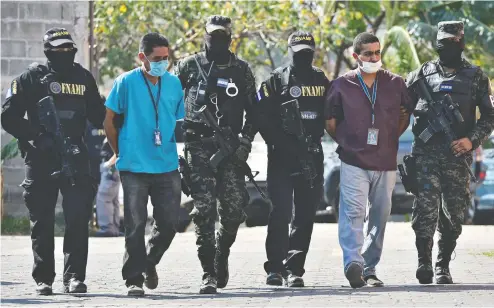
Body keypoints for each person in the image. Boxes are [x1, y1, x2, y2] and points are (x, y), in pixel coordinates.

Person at [1, 28, 105, 295]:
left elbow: (98, 114)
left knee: (78, 219)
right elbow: (8, 117)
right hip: (41, 157)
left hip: (75, 156)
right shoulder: (30, 79)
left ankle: (74, 278)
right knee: (42, 221)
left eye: (68, 50)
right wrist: (36, 135)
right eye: (58, 50)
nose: (64, 54)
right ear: (47, 51)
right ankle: (43, 279)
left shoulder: (83, 77)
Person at [405, 21, 494, 285]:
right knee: (425, 209)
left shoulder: (476, 76)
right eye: (445, 42)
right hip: (426, 155)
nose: (450, 47)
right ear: (437, 43)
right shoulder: (422, 73)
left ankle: (443, 264)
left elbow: (489, 117)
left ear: (462, 42)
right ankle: (424, 262)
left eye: (455, 42)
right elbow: (399, 104)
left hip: (458, 156)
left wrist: (472, 140)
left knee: (455, 216)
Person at [174, 15, 257, 294]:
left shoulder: (242, 70)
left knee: (233, 211)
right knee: (204, 210)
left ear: (230, 37)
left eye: (223, 35)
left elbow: (254, 112)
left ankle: (222, 253)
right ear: (204, 35)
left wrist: (245, 141)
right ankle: (208, 272)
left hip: (230, 149)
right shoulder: (188, 66)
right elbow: (170, 102)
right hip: (198, 146)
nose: (217, 40)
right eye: (213, 35)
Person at [325, 32, 413, 288]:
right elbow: (330, 123)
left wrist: (387, 139)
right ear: (356, 56)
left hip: (385, 160)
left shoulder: (396, 83)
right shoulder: (341, 85)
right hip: (353, 159)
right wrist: (349, 142)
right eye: (368, 53)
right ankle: (353, 263)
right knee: (353, 212)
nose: (374, 57)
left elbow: (404, 116)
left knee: (380, 214)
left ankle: (370, 267)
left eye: (377, 52)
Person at [103, 32, 184, 296]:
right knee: (135, 224)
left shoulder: (173, 84)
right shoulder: (125, 82)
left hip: (168, 165)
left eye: (166, 58)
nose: (163, 62)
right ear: (142, 57)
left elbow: (178, 122)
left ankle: (149, 261)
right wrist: (119, 152)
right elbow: (109, 121)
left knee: (170, 223)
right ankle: (134, 279)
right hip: (134, 166)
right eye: (156, 58)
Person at [255, 31, 330, 287]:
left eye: (308, 52)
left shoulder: (322, 80)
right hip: (281, 157)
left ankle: (295, 268)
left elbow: (330, 114)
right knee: (281, 212)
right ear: (290, 51)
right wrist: (279, 141)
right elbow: (261, 116)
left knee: (305, 214)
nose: (304, 57)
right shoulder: (276, 80)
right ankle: (275, 268)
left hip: (311, 155)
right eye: (299, 53)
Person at [94, 138, 122, 237]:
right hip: (115, 169)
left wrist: (108, 165)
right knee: (114, 200)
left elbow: (120, 150)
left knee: (104, 198)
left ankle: (107, 228)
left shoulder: (115, 132)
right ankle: (114, 228)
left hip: (111, 168)